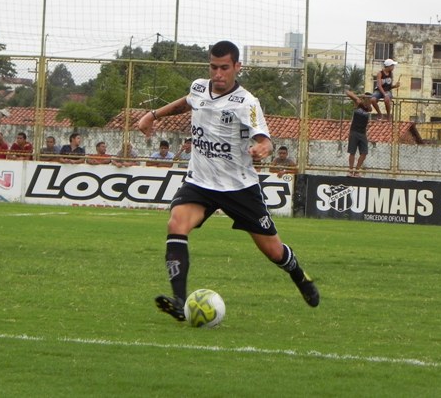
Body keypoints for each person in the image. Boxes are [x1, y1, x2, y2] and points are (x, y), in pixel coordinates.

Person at [137, 40, 319, 322]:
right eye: (213, 67)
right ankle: (180, 302)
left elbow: (264, 138)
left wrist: (262, 148)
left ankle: (298, 274)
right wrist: (153, 114)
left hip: (239, 188)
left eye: (224, 68)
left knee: (273, 251)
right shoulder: (199, 87)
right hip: (200, 183)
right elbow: (187, 102)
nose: (218, 74)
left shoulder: (247, 102)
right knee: (176, 224)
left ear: (237, 67)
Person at [345, 89, 373, 177]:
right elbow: (348, 92)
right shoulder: (358, 103)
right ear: (364, 99)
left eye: (370, 99)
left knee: (364, 153)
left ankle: (357, 170)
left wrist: (367, 99)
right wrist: (360, 96)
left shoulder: (369, 108)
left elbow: (370, 107)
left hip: (362, 133)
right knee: (352, 152)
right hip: (354, 131)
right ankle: (350, 170)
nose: (369, 101)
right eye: (368, 99)